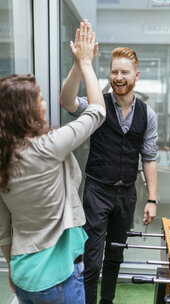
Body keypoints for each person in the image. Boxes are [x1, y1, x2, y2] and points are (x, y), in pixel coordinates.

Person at [0, 21, 105, 304]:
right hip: (56, 278)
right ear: (28, 110)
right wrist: (86, 63)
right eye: (40, 99)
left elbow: (3, 226)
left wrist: (10, 268)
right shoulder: (49, 146)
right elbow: (97, 112)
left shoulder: (3, 155)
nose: (45, 103)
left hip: (23, 277)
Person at [59, 30, 158, 304]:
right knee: (91, 259)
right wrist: (81, 63)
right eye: (114, 72)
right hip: (97, 192)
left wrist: (152, 198)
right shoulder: (96, 103)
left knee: (115, 254)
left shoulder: (147, 114)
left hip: (127, 195)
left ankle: (107, 302)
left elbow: (149, 156)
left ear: (136, 75)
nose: (119, 77)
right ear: (110, 74)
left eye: (125, 72)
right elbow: (66, 102)